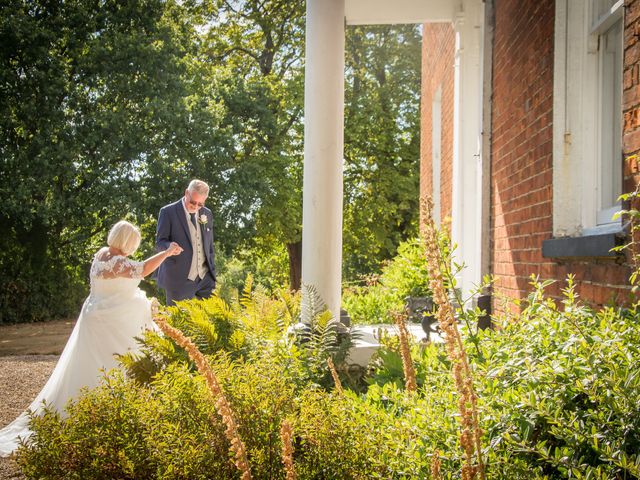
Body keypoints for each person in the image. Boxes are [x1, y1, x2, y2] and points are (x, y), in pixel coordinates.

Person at [0, 221, 183, 457]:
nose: (133, 249)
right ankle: (106, 409)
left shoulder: (102, 254)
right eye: (133, 243)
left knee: (93, 363)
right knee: (115, 361)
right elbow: (143, 269)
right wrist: (167, 252)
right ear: (128, 243)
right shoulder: (118, 261)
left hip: (97, 315)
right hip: (112, 321)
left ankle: (101, 406)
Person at [155, 179, 216, 305]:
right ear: (186, 193)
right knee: (177, 321)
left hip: (205, 280)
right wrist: (169, 247)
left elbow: (209, 245)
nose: (195, 207)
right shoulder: (168, 212)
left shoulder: (207, 214)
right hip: (179, 279)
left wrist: (212, 274)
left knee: (206, 321)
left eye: (200, 204)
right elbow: (160, 242)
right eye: (193, 202)